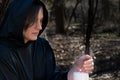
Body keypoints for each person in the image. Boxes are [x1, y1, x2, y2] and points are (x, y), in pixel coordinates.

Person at [0, 0, 94, 80]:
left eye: (41, 20)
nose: (40, 27)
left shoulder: (42, 46)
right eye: (33, 21)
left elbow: (52, 77)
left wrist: (72, 73)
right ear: (18, 20)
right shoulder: (3, 52)